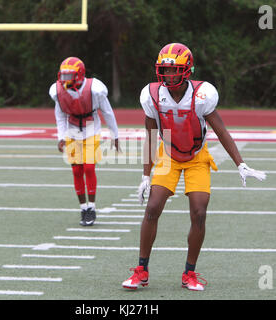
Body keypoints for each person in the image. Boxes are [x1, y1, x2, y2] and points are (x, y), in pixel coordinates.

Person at [122, 43, 266, 291]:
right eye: (164, 71)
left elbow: (221, 131)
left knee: (199, 211)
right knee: (153, 206)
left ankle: (189, 273)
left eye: (174, 70)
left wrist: (240, 164)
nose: (168, 75)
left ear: (186, 70)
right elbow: (150, 136)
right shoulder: (152, 94)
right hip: (168, 155)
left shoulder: (202, 94)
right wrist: (146, 175)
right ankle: (141, 270)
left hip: (197, 157)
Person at [49, 57, 120, 226]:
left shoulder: (95, 89)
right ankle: (83, 208)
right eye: (63, 76)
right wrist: (61, 137)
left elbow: (108, 112)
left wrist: (114, 135)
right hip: (72, 129)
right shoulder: (57, 91)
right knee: (76, 171)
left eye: (69, 76)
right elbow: (60, 116)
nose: (64, 80)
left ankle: (92, 207)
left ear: (79, 75)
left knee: (89, 167)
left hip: (91, 128)